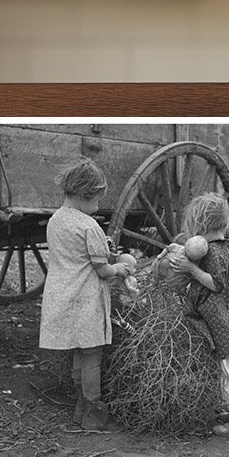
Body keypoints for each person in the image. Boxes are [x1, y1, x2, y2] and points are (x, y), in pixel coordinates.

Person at [39, 157, 135, 431]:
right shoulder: (88, 226)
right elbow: (102, 269)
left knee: (78, 356)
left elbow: (77, 254)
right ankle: (93, 411)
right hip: (86, 301)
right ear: (85, 194)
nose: (97, 207)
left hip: (63, 298)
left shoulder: (56, 220)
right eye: (96, 200)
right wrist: (119, 268)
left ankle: (80, 407)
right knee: (92, 356)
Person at [168, 193, 229, 437]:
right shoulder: (224, 248)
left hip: (224, 324)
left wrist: (191, 269)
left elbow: (216, 284)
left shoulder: (214, 253)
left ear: (201, 226)